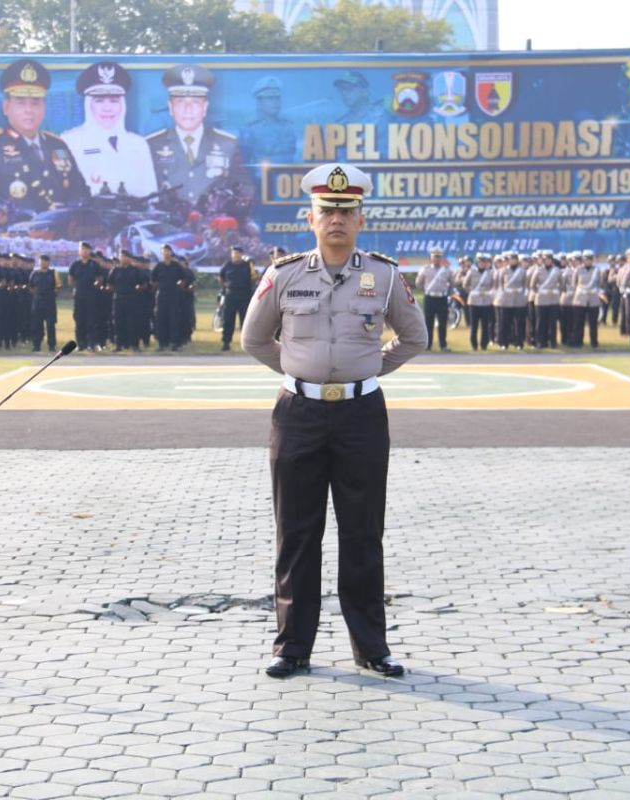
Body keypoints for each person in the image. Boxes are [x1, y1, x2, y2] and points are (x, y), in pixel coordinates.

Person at [241, 162, 427, 679]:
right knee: (296, 532)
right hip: (298, 414)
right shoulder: (283, 274)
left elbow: (415, 337)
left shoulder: (385, 276)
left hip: (361, 413)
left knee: (363, 532)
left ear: (361, 219)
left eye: (346, 211)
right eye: (328, 211)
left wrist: (369, 368)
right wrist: (301, 372)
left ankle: (371, 647)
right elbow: (254, 340)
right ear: (310, 218)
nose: (337, 220)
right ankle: (292, 647)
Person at [0, 58, 89, 212]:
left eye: (35, 102)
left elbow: (80, 193)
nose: (29, 110)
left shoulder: (57, 145)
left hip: (63, 233)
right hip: (12, 234)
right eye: (20, 102)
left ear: (44, 108)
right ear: (6, 107)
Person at [147, 64, 247, 207]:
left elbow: (245, 188)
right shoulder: (151, 145)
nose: (188, 110)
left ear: (205, 107)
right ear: (170, 107)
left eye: (195, 102)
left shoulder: (227, 144)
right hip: (168, 227)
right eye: (180, 102)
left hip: (214, 226)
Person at [61, 61, 158, 198]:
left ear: (122, 105)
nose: (107, 108)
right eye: (99, 101)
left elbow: (152, 197)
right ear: (89, 105)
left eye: (114, 101)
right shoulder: (68, 142)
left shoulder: (138, 144)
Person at [239, 76, 298, 165]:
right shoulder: (250, 130)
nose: (275, 102)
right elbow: (244, 163)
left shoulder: (289, 127)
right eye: (270, 98)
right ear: (259, 102)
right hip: (262, 178)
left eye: (277, 98)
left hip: (291, 177)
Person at [218, 245, 255, 351]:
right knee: (228, 319)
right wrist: (225, 288)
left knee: (245, 320)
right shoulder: (227, 265)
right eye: (234, 253)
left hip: (244, 295)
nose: (236, 255)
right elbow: (221, 278)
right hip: (230, 295)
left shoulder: (248, 265)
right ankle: (226, 342)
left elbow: (254, 278)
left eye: (238, 253)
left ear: (242, 254)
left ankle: (247, 344)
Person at [415, 248, 451, 351]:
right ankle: (428, 345)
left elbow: (451, 283)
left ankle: (443, 345)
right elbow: (418, 283)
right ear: (430, 258)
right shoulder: (425, 269)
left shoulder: (446, 270)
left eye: (439, 257)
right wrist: (426, 290)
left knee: (443, 323)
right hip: (430, 298)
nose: (437, 259)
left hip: (442, 298)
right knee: (428, 323)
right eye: (435, 256)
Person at [463, 253, 495, 350]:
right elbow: (465, 284)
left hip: (486, 301)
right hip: (474, 301)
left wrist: (488, 293)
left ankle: (484, 344)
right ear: (477, 262)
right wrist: (472, 292)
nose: (482, 264)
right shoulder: (471, 272)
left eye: (484, 262)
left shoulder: (490, 273)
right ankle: (474, 345)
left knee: (485, 325)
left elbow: (493, 285)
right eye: (481, 262)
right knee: (474, 325)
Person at [29, 254, 61, 351]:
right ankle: (36, 345)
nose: (43, 263)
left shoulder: (53, 273)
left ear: (48, 262)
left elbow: (58, 286)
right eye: (41, 261)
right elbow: (31, 286)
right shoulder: (34, 274)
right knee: (36, 324)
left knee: (50, 324)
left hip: (50, 302)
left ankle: (51, 345)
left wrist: (53, 295)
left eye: (45, 261)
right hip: (38, 302)